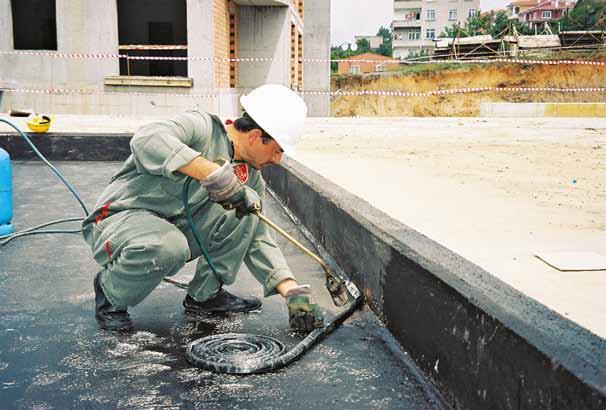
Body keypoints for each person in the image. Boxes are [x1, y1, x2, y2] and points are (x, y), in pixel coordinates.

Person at [82, 84, 324, 333]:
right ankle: (111, 294)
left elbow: (257, 236)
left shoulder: (250, 176)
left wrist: (290, 289)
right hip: (120, 220)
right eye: (277, 150)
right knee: (169, 246)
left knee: (247, 205)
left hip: (173, 226)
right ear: (254, 136)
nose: (277, 160)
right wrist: (211, 173)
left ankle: (204, 296)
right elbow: (146, 139)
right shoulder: (200, 127)